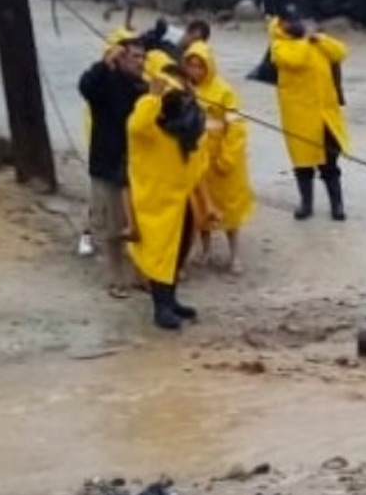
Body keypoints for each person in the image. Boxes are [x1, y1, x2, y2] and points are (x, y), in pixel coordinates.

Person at [124, 66, 209, 330]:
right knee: (160, 256)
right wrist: (153, 97)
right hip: (155, 203)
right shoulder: (148, 131)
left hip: (179, 201)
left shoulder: (180, 132)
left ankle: (171, 301)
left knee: (178, 252)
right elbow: (137, 124)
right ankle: (160, 308)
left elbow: (196, 158)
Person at [77, 31, 146, 297]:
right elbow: (86, 86)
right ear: (119, 58)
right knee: (114, 226)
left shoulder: (142, 87)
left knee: (140, 225)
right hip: (108, 163)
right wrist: (105, 63)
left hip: (137, 168)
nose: (140, 62)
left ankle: (141, 274)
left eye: (142, 57)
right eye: (134, 57)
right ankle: (115, 277)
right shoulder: (104, 83)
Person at [269, 14, 350, 221]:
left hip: (325, 115)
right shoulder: (279, 47)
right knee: (303, 163)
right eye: (286, 22)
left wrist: (320, 38)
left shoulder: (317, 42)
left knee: (330, 161)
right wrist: (305, 39)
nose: (293, 24)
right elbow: (296, 60)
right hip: (299, 117)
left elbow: (340, 52)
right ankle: (306, 203)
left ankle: (337, 205)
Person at [183, 43, 254, 274]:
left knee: (229, 211)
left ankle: (234, 255)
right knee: (200, 209)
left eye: (199, 66)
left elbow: (237, 126)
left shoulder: (224, 91)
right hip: (198, 161)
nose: (195, 71)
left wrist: (228, 157)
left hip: (222, 162)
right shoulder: (185, 91)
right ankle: (206, 250)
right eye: (191, 66)